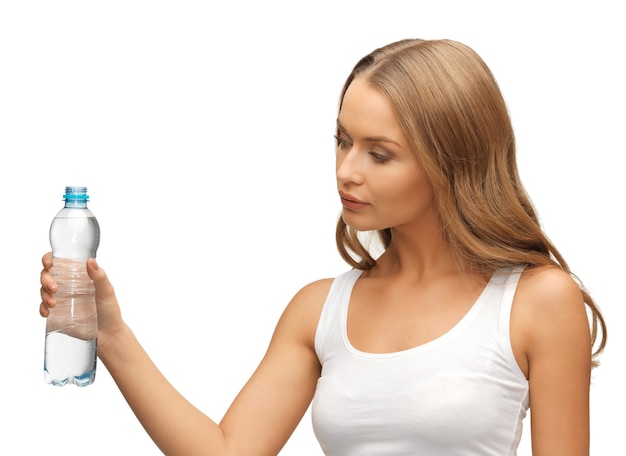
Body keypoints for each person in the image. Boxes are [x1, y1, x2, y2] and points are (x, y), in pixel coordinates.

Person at [39, 38, 607, 455]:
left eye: (378, 153)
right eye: (342, 141)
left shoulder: (536, 302)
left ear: (451, 161)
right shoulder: (319, 310)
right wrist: (109, 333)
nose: (346, 171)